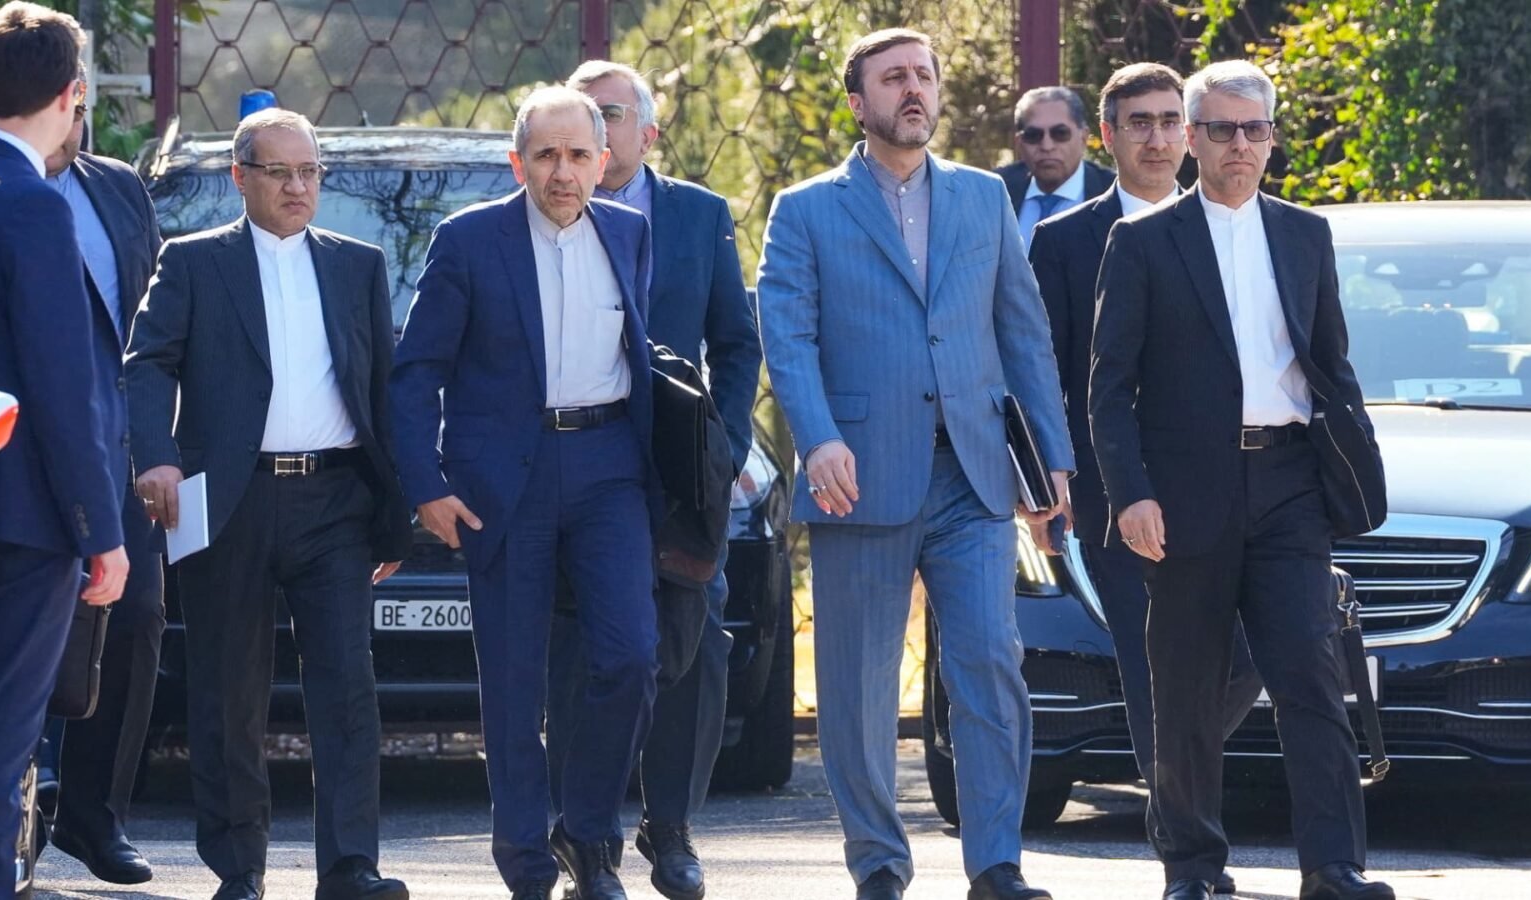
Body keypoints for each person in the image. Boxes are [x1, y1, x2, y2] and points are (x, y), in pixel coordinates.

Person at [757, 27, 1073, 900]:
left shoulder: (982, 199)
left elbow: (1023, 333)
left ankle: (996, 863)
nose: (914, 90)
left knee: (989, 666)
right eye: (893, 78)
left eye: (924, 76)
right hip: (857, 472)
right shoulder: (806, 208)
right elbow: (787, 333)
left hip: (972, 476)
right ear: (858, 102)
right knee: (856, 694)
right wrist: (818, 436)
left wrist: (1054, 465)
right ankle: (879, 866)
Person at [1089, 60, 1394, 900]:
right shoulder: (1144, 240)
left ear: (1271, 138)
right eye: (1221, 130)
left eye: (1254, 130)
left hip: (1290, 484)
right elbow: (1109, 388)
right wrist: (1130, 494)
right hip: (1186, 495)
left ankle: (1334, 867)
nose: (1239, 146)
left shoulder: (1305, 234)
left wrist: (1351, 463)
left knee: (1311, 677)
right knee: (1185, 688)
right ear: (1190, 140)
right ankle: (1191, 867)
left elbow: (1331, 364)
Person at [125, 108, 412, 900]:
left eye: (309, 171)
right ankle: (238, 870)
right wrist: (155, 456)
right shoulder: (192, 263)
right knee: (228, 692)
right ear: (240, 177)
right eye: (280, 171)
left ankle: (352, 867)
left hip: (336, 500)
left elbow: (384, 393)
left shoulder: (360, 265)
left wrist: (396, 511)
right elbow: (146, 364)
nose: (297, 186)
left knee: (347, 689)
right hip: (228, 500)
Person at [391, 86, 663, 900]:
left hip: (610, 466)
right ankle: (527, 865)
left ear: (605, 159)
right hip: (503, 478)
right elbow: (417, 373)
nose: (563, 171)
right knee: (514, 683)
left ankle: (587, 835)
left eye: (579, 154)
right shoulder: (468, 241)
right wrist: (426, 487)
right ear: (518, 162)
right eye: (545, 155)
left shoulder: (631, 232)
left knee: (631, 656)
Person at [1026, 62, 1264, 897]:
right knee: (1153, 667)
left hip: (1239, 493)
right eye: (1140, 123)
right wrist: (1048, 481)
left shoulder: (1242, 227)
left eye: (1170, 120)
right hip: (1119, 494)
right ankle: (1183, 854)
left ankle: (1178, 771)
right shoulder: (1064, 243)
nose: (1158, 137)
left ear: (1191, 131)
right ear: (1110, 137)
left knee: (1247, 657)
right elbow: (1045, 370)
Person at [543, 60, 760, 900]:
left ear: (647, 132)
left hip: (679, 478)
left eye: (606, 114)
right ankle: (581, 835)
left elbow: (735, 343)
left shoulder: (699, 217)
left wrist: (725, 447)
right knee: (582, 655)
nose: (590, 131)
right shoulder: (542, 213)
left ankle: (669, 828)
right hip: (576, 468)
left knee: (692, 647)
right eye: (577, 115)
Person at [0, 4, 130, 894]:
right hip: (24, 521)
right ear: (73, 96)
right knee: (2, 745)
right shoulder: (37, 209)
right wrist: (101, 531)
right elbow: (61, 388)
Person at [40, 62, 167, 888]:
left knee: (135, 622)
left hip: (118, 452)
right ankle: (22, 802)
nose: (81, 101)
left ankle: (93, 816)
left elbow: (156, 328)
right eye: (69, 87)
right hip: (18, 447)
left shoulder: (118, 189)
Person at [994, 85, 1114, 248]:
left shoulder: (1113, 192)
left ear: (1084, 137)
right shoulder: (996, 190)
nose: (1047, 146)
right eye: (1033, 135)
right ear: (1019, 143)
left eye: (1060, 133)